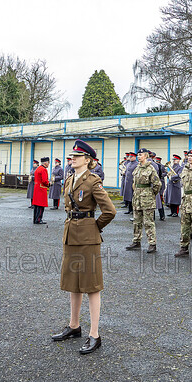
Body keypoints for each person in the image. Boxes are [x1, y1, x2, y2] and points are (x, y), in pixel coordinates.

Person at [51, 139, 116, 355]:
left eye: (77, 156)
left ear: (87, 160)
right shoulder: (70, 179)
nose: (72, 158)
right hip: (70, 235)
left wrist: (94, 227)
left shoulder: (92, 181)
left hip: (88, 238)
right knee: (73, 283)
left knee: (91, 285)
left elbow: (110, 211)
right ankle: (74, 326)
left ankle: (95, 335)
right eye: (72, 156)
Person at [126, 149, 161, 253]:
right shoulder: (137, 168)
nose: (138, 156)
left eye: (140, 155)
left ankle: (152, 244)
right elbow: (134, 183)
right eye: (138, 155)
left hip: (147, 199)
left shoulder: (151, 168)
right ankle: (136, 241)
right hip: (137, 198)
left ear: (146, 156)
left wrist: (150, 194)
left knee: (148, 222)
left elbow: (157, 184)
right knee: (137, 221)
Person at [33, 157, 50, 224]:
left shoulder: (38, 169)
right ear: (45, 163)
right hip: (41, 188)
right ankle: (39, 219)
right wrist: (49, 184)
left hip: (36, 188)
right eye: (48, 163)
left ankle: (35, 219)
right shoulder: (43, 170)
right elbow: (45, 181)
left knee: (36, 205)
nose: (48, 164)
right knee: (40, 205)